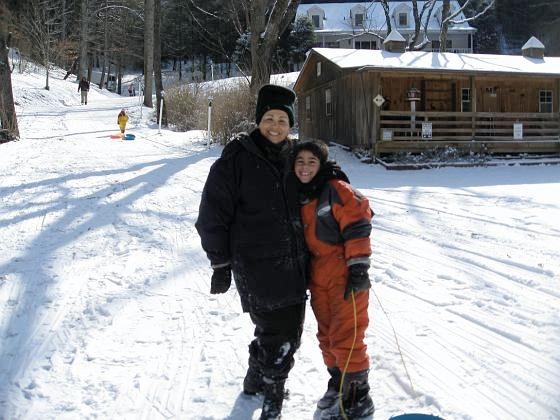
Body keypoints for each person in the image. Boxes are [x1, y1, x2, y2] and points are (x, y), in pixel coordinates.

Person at [195, 85, 308, 420]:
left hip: (296, 265)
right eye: (269, 118)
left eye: (283, 120)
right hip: (256, 264)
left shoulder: (299, 157)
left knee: (290, 331)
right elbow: (212, 214)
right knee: (279, 334)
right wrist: (220, 263)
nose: (275, 126)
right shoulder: (237, 159)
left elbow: (327, 185)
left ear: (291, 125)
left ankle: (255, 377)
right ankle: (273, 401)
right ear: (259, 120)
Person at [293, 140, 375, 419]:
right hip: (318, 277)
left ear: (322, 164)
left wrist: (358, 267)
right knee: (326, 336)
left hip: (344, 275)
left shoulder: (335, 188)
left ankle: (357, 399)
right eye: (300, 161)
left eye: (311, 162)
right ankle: (338, 384)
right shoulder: (302, 194)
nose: (305, 167)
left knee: (347, 336)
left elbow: (359, 218)